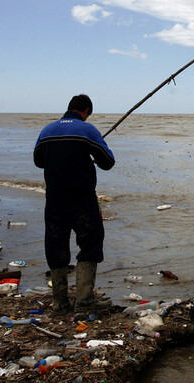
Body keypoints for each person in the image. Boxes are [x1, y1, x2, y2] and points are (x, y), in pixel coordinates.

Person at [33, 94, 116, 315]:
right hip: (82, 200)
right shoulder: (87, 130)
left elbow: (38, 161)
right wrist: (93, 158)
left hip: (54, 200)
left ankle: (60, 303)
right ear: (86, 111)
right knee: (90, 244)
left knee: (56, 246)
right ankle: (84, 300)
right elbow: (108, 162)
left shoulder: (46, 131)